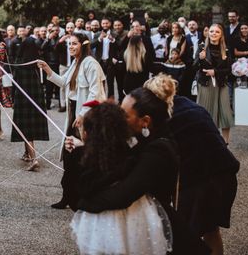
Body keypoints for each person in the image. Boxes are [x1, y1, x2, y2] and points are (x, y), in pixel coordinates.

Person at [77, 86, 210, 254]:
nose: (119, 118)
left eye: (124, 115)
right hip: (142, 224)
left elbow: (123, 195)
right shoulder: (141, 138)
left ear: (145, 121)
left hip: (158, 231)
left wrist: (83, 203)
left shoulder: (159, 151)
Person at [146, 74, 240, 255]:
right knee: (211, 230)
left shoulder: (164, 117)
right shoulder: (193, 106)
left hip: (200, 182)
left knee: (187, 237)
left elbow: (161, 158)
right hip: (226, 175)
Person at [69, 103, 173, 255]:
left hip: (103, 219)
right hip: (139, 213)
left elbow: (77, 193)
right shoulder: (132, 154)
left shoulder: (90, 162)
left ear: (88, 134)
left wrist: (81, 150)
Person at [39, 32, 107, 209]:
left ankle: (78, 198)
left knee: (79, 156)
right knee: (69, 155)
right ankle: (67, 196)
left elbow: (96, 92)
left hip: (83, 117)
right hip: (73, 115)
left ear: (83, 45)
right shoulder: (75, 63)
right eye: (69, 44)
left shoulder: (91, 64)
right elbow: (64, 83)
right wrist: (48, 70)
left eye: (74, 44)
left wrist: (83, 113)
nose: (71, 47)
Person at [10, 22, 48, 170]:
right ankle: (27, 154)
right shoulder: (34, 66)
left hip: (23, 98)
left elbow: (16, 83)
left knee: (26, 128)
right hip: (34, 98)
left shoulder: (21, 65)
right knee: (29, 127)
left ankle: (33, 159)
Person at [195, 24, 234, 144]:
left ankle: (225, 144)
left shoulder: (226, 49)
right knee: (206, 113)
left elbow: (229, 70)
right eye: (211, 31)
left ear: (221, 34)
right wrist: (200, 59)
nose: (213, 33)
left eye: (217, 32)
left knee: (225, 113)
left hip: (221, 84)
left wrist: (215, 72)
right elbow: (194, 66)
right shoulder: (202, 47)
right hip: (206, 84)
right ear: (208, 33)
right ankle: (207, 142)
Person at [122, 35, 152, 100]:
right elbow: (149, 68)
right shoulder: (146, 56)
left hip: (128, 84)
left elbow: (123, 69)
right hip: (141, 84)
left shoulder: (126, 55)